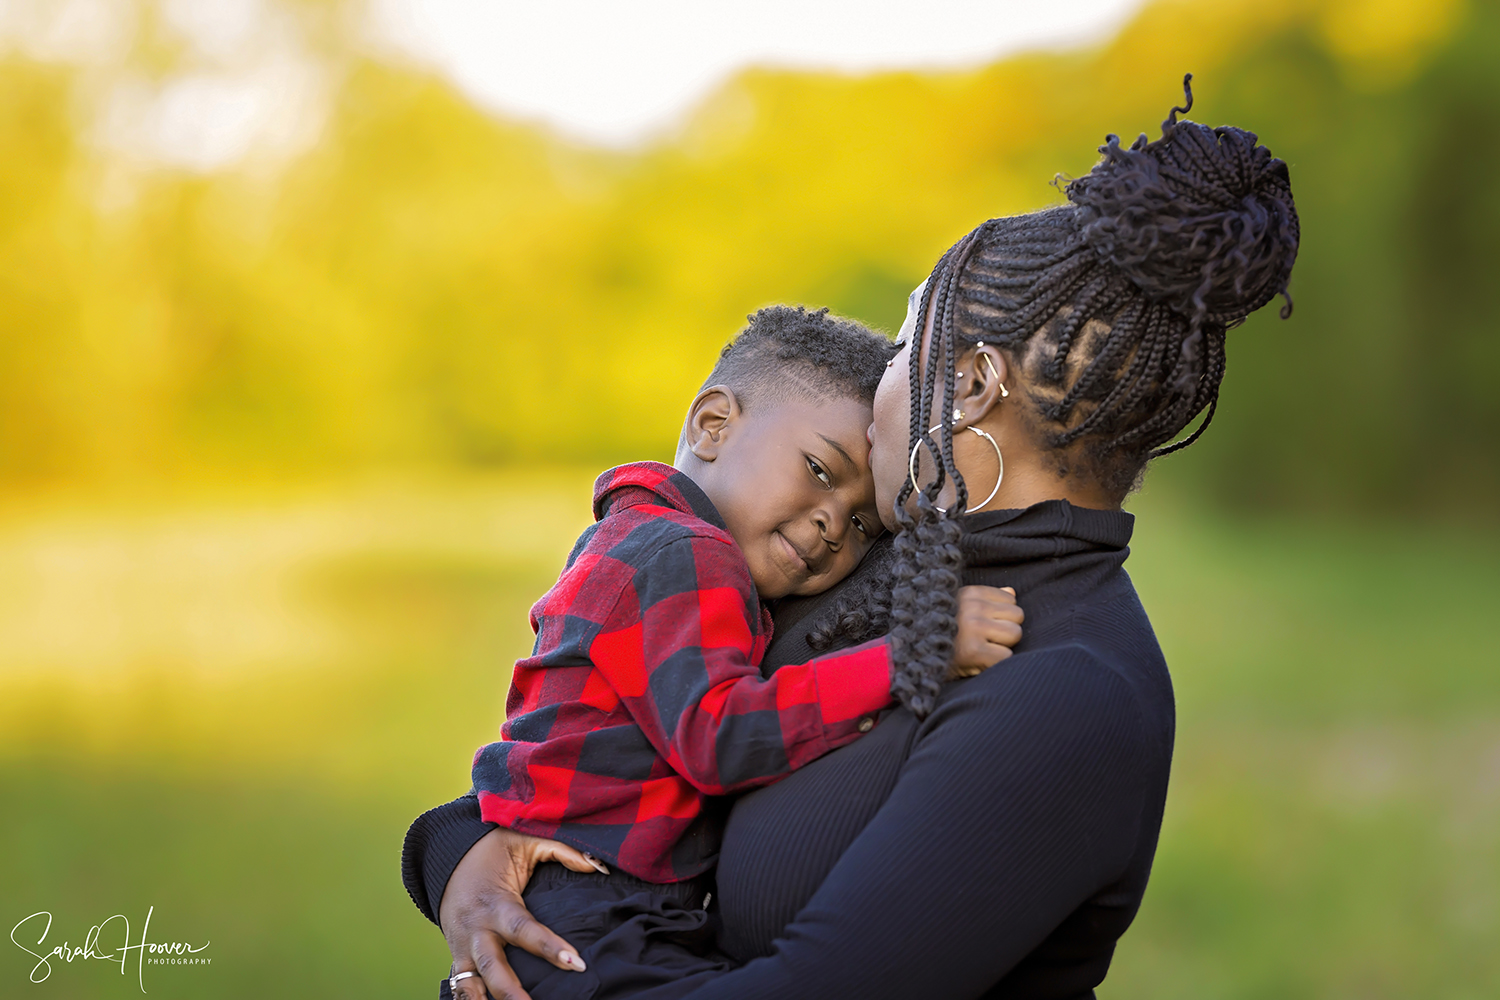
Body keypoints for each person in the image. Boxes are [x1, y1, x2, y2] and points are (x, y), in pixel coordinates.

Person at [407, 76, 1300, 1000]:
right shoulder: (867, 563)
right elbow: (615, 742)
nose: (879, 379)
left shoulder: (1070, 691)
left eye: (907, 338)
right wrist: (460, 853)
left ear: (971, 384)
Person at [425, 305, 1026, 999]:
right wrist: (912, 652)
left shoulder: (637, 535)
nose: (837, 523)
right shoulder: (688, 553)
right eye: (819, 470)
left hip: (583, 905)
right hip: (586, 916)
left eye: (866, 522)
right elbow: (721, 734)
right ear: (713, 425)